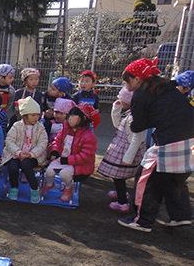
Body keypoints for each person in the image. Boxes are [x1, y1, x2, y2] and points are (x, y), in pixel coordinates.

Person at [118, 58, 194, 232]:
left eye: (126, 80)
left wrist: (131, 124)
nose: (125, 84)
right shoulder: (168, 88)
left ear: (137, 79)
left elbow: (139, 125)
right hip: (191, 140)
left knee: (146, 178)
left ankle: (142, 220)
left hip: (169, 141)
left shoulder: (142, 94)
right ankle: (180, 215)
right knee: (175, 177)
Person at [96, 85, 146, 213]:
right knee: (118, 175)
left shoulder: (135, 118)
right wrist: (116, 108)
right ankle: (121, 193)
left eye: (122, 98)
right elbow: (117, 125)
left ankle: (122, 202)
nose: (120, 100)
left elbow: (136, 139)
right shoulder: (130, 113)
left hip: (126, 152)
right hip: (122, 150)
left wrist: (128, 158)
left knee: (119, 177)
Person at [43, 103, 99, 203]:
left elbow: (86, 156)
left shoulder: (89, 136)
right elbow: (57, 141)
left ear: (83, 118)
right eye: (69, 115)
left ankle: (68, 188)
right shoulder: (65, 129)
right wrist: (55, 151)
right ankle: (49, 184)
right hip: (63, 159)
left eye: (73, 116)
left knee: (64, 174)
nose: (70, 118)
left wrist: (68, 160)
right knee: (49, 172)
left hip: (78, 164)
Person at [2, 97, 47, 204]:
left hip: (34, 156)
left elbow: (43, 143)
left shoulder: (40, 128)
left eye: (37, 115)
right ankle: (14, 187)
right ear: (24, 116)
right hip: (16, 154)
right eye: (32, 115)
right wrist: (18, 152)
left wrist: (31, 154)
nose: (36, 117)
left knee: (26, 164)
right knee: (13, 166)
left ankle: (34, 188)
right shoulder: (16, 126)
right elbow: (9, 140)